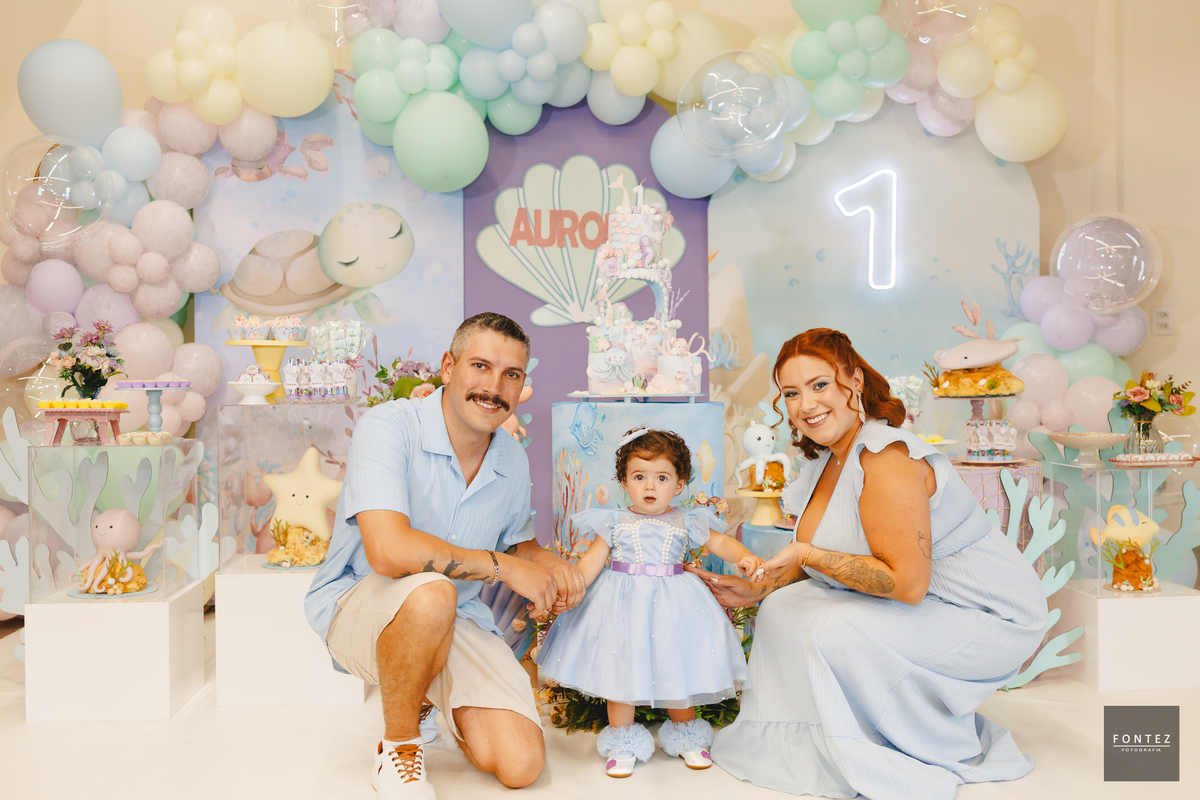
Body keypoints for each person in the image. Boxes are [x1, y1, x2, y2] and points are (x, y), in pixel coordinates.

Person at [689, 328, 1048, 800]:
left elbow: (906, 583)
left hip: (988, 614)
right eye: (791, 393)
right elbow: (822, 561)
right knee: (782, 608)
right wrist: (759, 589)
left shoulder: (886, 457)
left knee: (831, 628)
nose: (805, 405)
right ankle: (811, 743)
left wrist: (806, 553)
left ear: (854, 382)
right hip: (931, 599)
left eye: (820, 385)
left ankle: (883, 744)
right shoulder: (825, 462)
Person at [305, 313, 585, 799]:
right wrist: (502, 567)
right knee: (433, 594)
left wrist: (551, 566)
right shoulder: (388, 427)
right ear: (448, 367)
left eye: (511, 374)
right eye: (480, 366)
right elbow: (388, 552)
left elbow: (519, 544)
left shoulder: (511, 457)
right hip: (358, 604)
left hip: (460, 617)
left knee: (520, 765)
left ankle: (431, 694)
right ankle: (399, 747)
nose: (493, 387)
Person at [536, 428, 763, 778]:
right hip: (621, 607)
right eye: (639, 477)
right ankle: (622, 743)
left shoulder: (685, 519)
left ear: (680, 483)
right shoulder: (614, 521)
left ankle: (686, 735)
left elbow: (720, 543)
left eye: (662, 478)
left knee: (677, 666)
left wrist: (744, 556)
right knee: (620, 670)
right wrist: (568, 589)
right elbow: (590, 564)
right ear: (624, 482)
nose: (650, 486)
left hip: (675, 605)